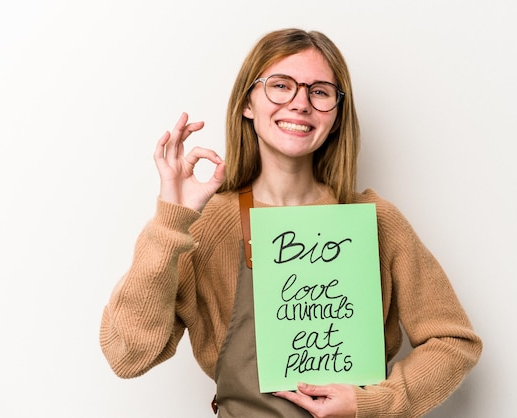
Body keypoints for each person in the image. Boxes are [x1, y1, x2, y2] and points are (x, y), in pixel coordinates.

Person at [100, 28, 482, 417]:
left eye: (319, 91)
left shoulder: (376, 221)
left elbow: (454, 342)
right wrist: (171, 220)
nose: (301, 103)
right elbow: (127, 355)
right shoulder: (207, 224)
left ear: (336, 116)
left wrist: (373, 404)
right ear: (248, 103)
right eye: (280, 86)